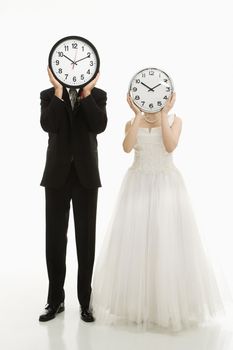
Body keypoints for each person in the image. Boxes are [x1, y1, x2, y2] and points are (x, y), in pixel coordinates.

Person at [92, 92, 224, 331]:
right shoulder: (132, 122)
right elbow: (127, 147)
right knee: (137, 243)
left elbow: (170, 145)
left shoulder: (175, 120)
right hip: (137, 183)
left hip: (166, 184)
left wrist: (163, 115)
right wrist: (137, 117)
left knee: (166, 242)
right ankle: (137, 306)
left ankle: (165, 305)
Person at [39, 67, 107, 322]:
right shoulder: (49, 95)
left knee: (85, 241)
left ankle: (85, 302)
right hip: (56, 176)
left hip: (86, 177)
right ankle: (55, 300)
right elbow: (49, 125)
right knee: (55, 241)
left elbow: (99, 125)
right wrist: (58, 91)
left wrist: (87, 94)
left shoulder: (97, 96)